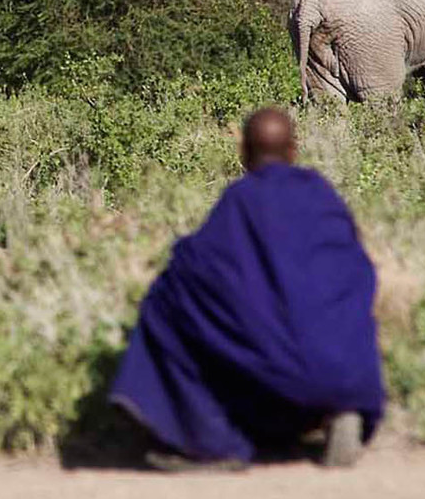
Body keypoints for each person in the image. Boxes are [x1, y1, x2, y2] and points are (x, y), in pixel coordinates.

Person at [109, 107, 386, 471]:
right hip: (344, 369)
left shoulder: (241, 200)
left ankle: (213, 441)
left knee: (167, 301)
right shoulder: (322, 196)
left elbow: (196, 270)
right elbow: (359, 269)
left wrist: (177, 260)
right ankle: (341, 409)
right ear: (293, 149)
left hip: (272, 362)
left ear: (243, 152)